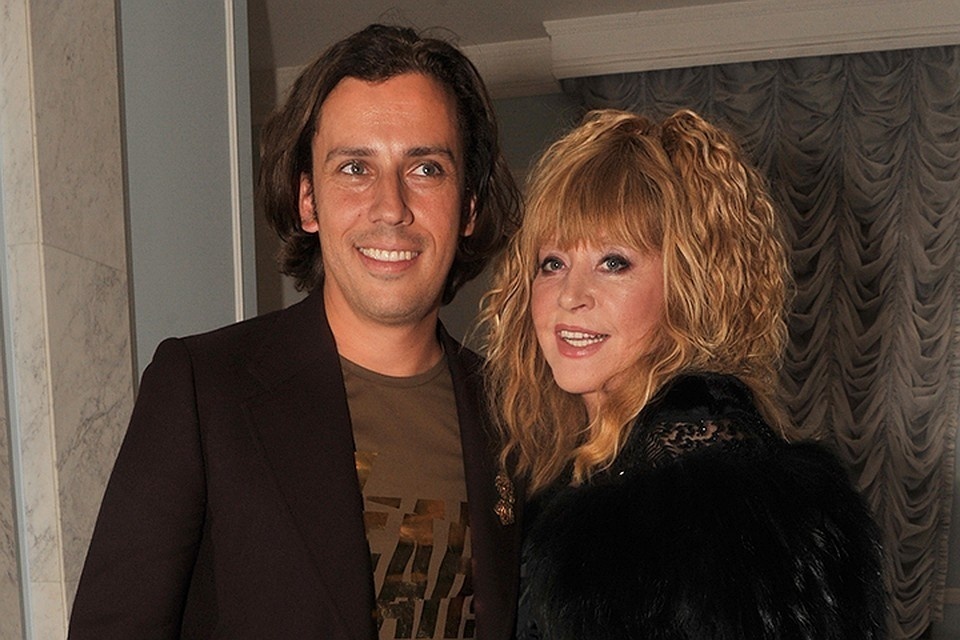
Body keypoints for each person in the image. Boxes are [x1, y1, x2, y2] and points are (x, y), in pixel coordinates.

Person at [69, 24, 522, 640]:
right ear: (308, 200)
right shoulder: (204, 390)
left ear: (467, 206)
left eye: (425, 168)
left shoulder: (514, 413)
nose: (391, 206)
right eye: (355, 167)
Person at [480, 109, 887, 639]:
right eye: (552, 263)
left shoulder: (714, 496)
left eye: (614, 262)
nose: (570, 296)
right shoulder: (590, 470)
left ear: (689, 285)